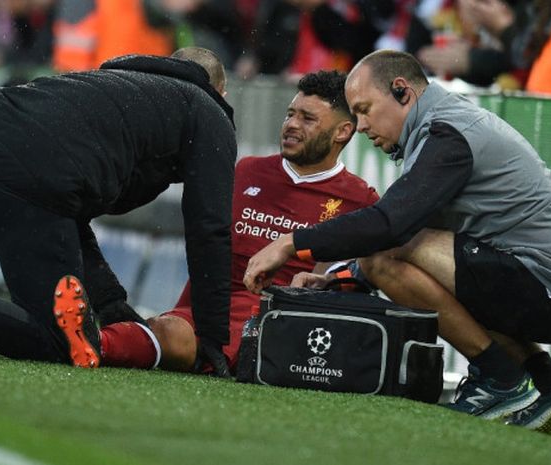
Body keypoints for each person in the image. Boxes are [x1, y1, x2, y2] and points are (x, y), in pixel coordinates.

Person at [243, 50, 551, 433]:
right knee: (393, 259)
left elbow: (389, 227)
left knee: (383, 254)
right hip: (538, 283)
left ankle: (501, 380)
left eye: (364, 109)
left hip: (548, 289)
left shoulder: (447, 132)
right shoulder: (442, 125)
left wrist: (290, 243)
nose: (360, 125)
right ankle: (549, 385)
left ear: (401, 91)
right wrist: (339, 278)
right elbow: (409, 237)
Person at [0, 47, 236, 374]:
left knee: (60, 322)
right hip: (29, 169)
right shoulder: (207, 110)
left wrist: (110, 303)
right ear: (221, 91)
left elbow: (66, 208)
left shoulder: (116, 81)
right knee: (61, 342)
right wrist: (211, 337)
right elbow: (209, 228)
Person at [90, 70, 379, 374]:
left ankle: (87, 342)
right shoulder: (247, 171)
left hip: (275, 323)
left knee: (170, 335)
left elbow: (359, 274)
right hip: (207, 310)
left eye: (308, 119)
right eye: (289, 114)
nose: (291, 125)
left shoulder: (359, 200)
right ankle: (78, 341)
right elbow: (209, 245)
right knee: (165, 330)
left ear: (342, 132)